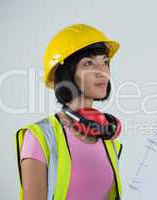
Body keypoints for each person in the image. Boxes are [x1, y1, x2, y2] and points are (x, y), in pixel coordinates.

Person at [14, 23, 123, 200]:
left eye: (105, 62)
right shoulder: (40, 137)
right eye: (89, 63)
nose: (102, 72)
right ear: (66, 74)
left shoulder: (106, 137)